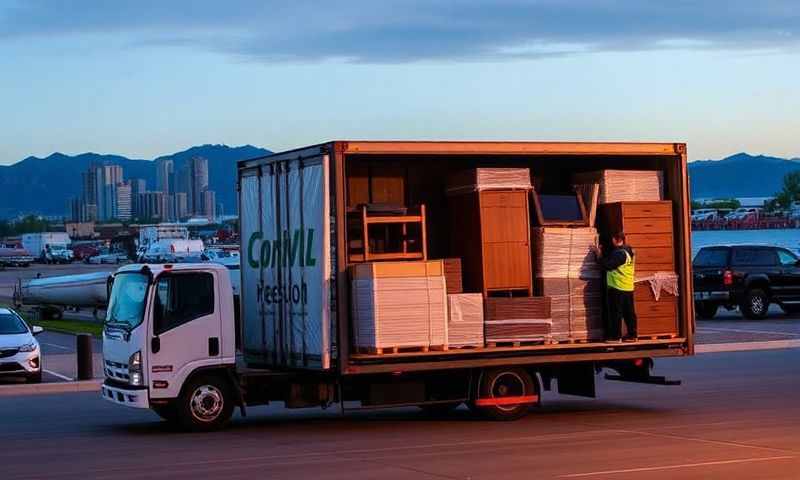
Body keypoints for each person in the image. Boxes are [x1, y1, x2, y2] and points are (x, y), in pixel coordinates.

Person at [592, 231, 637, 342]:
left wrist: (598, 254)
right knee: (628, 313)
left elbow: (607, 265)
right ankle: (632, 335)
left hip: (618, 287)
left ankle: (616, 337)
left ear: (615, 240)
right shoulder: (628, 250)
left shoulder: (620, 254)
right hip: (627, 286)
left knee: (615, 313)